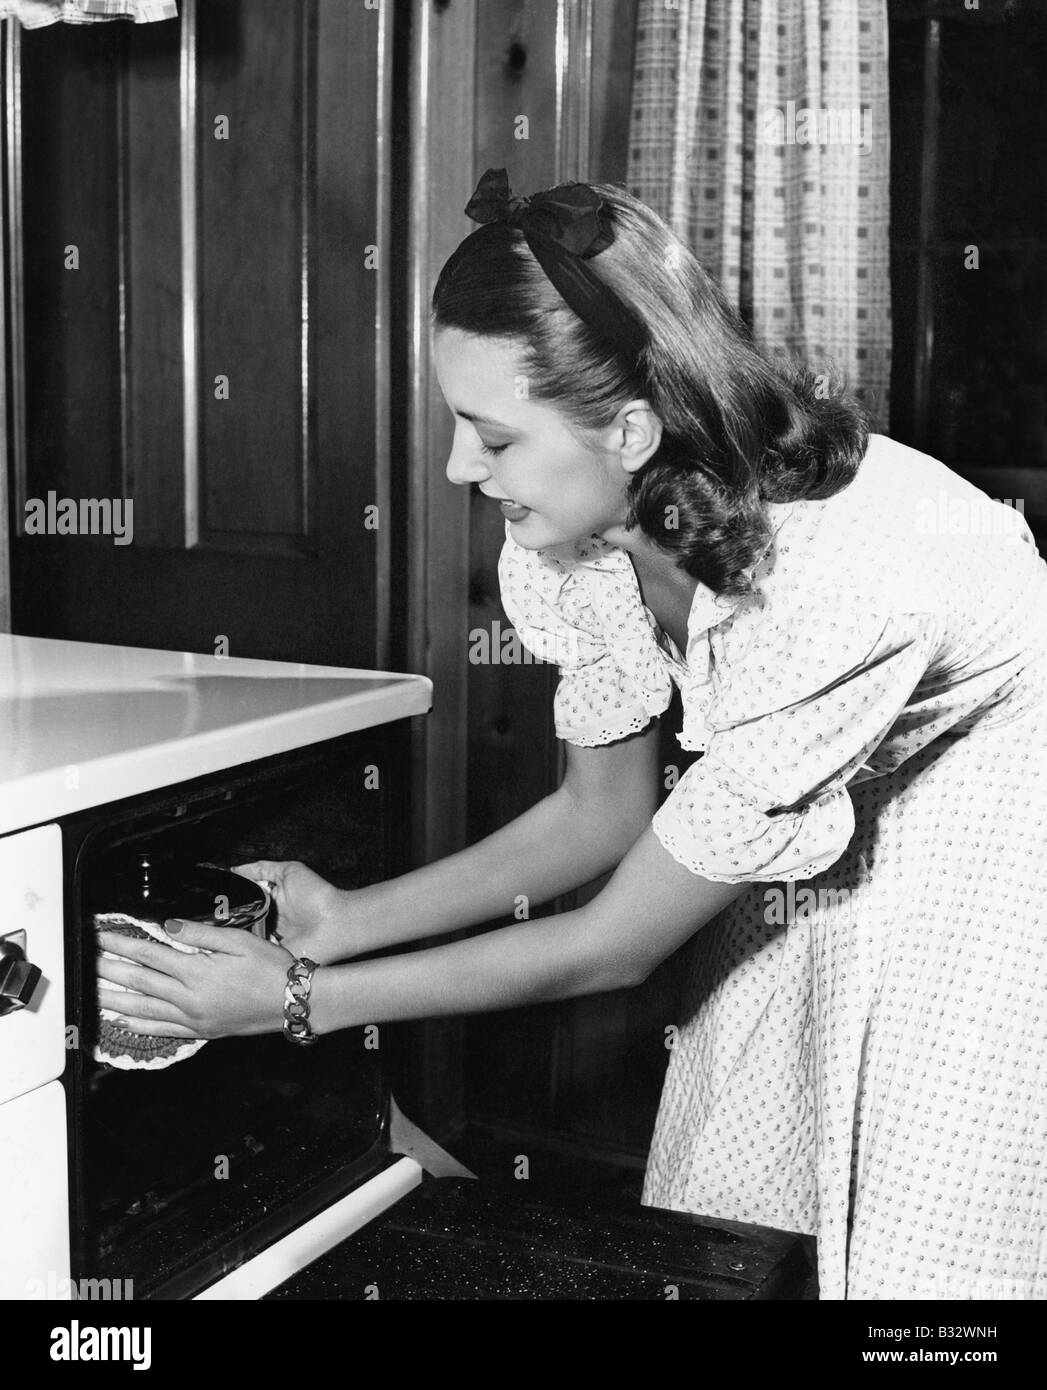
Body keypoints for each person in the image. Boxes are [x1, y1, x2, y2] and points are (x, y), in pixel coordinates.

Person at [98, 169, 1047, 1301]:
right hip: (818, 841)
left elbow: (617, 941)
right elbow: (603, 816)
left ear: (633, 428)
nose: (459, 467)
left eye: (491, 437)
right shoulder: (591, 528)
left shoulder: (837, 584)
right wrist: (343, 921)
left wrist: (301, 995)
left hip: (992, 871)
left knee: (917, 1254)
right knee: (742, 1215)